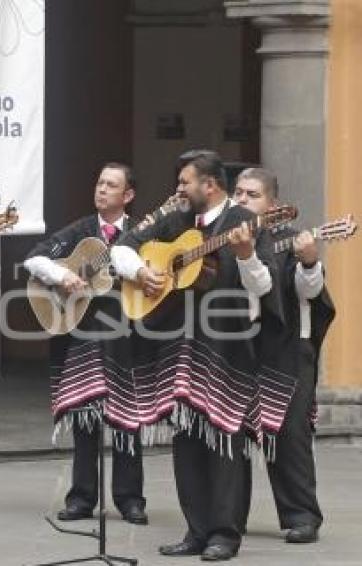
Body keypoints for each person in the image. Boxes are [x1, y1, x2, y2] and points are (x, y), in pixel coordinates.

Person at [110, 150, 281, 561]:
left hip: (226, 344)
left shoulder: (242, 221)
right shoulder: (178, 219)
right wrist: (141, 273)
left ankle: (225, 533)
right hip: (178, 345)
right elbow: (124, 246)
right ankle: (196, 529)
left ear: (210, 185)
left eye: (186, 182)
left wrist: (245, 255)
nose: (179, 190)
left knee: (224, 440)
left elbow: (263, 286)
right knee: (187, 439)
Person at [24, 163, 148, 525]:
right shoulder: (80, 231)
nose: (102, 190)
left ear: (128, 196)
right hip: (82, 335)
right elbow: (34, 256)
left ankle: (130, 500)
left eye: (111, 185)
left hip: (127, 334)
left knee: (128, 419)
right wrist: (63, 275)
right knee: (84, 418)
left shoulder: (140, 234)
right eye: (99, 182)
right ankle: (81, 498)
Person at [233, 167, 334, 544]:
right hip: (239, 348)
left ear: (272, 205)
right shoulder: (225, 240)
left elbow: (308, 292)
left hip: (287, 350)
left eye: (253, 194)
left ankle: (302, 516)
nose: (243, 199)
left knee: (289, 435)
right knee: (232, 434)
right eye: (239, 193)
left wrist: (309, 261)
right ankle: (229, 517)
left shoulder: (290, 240)